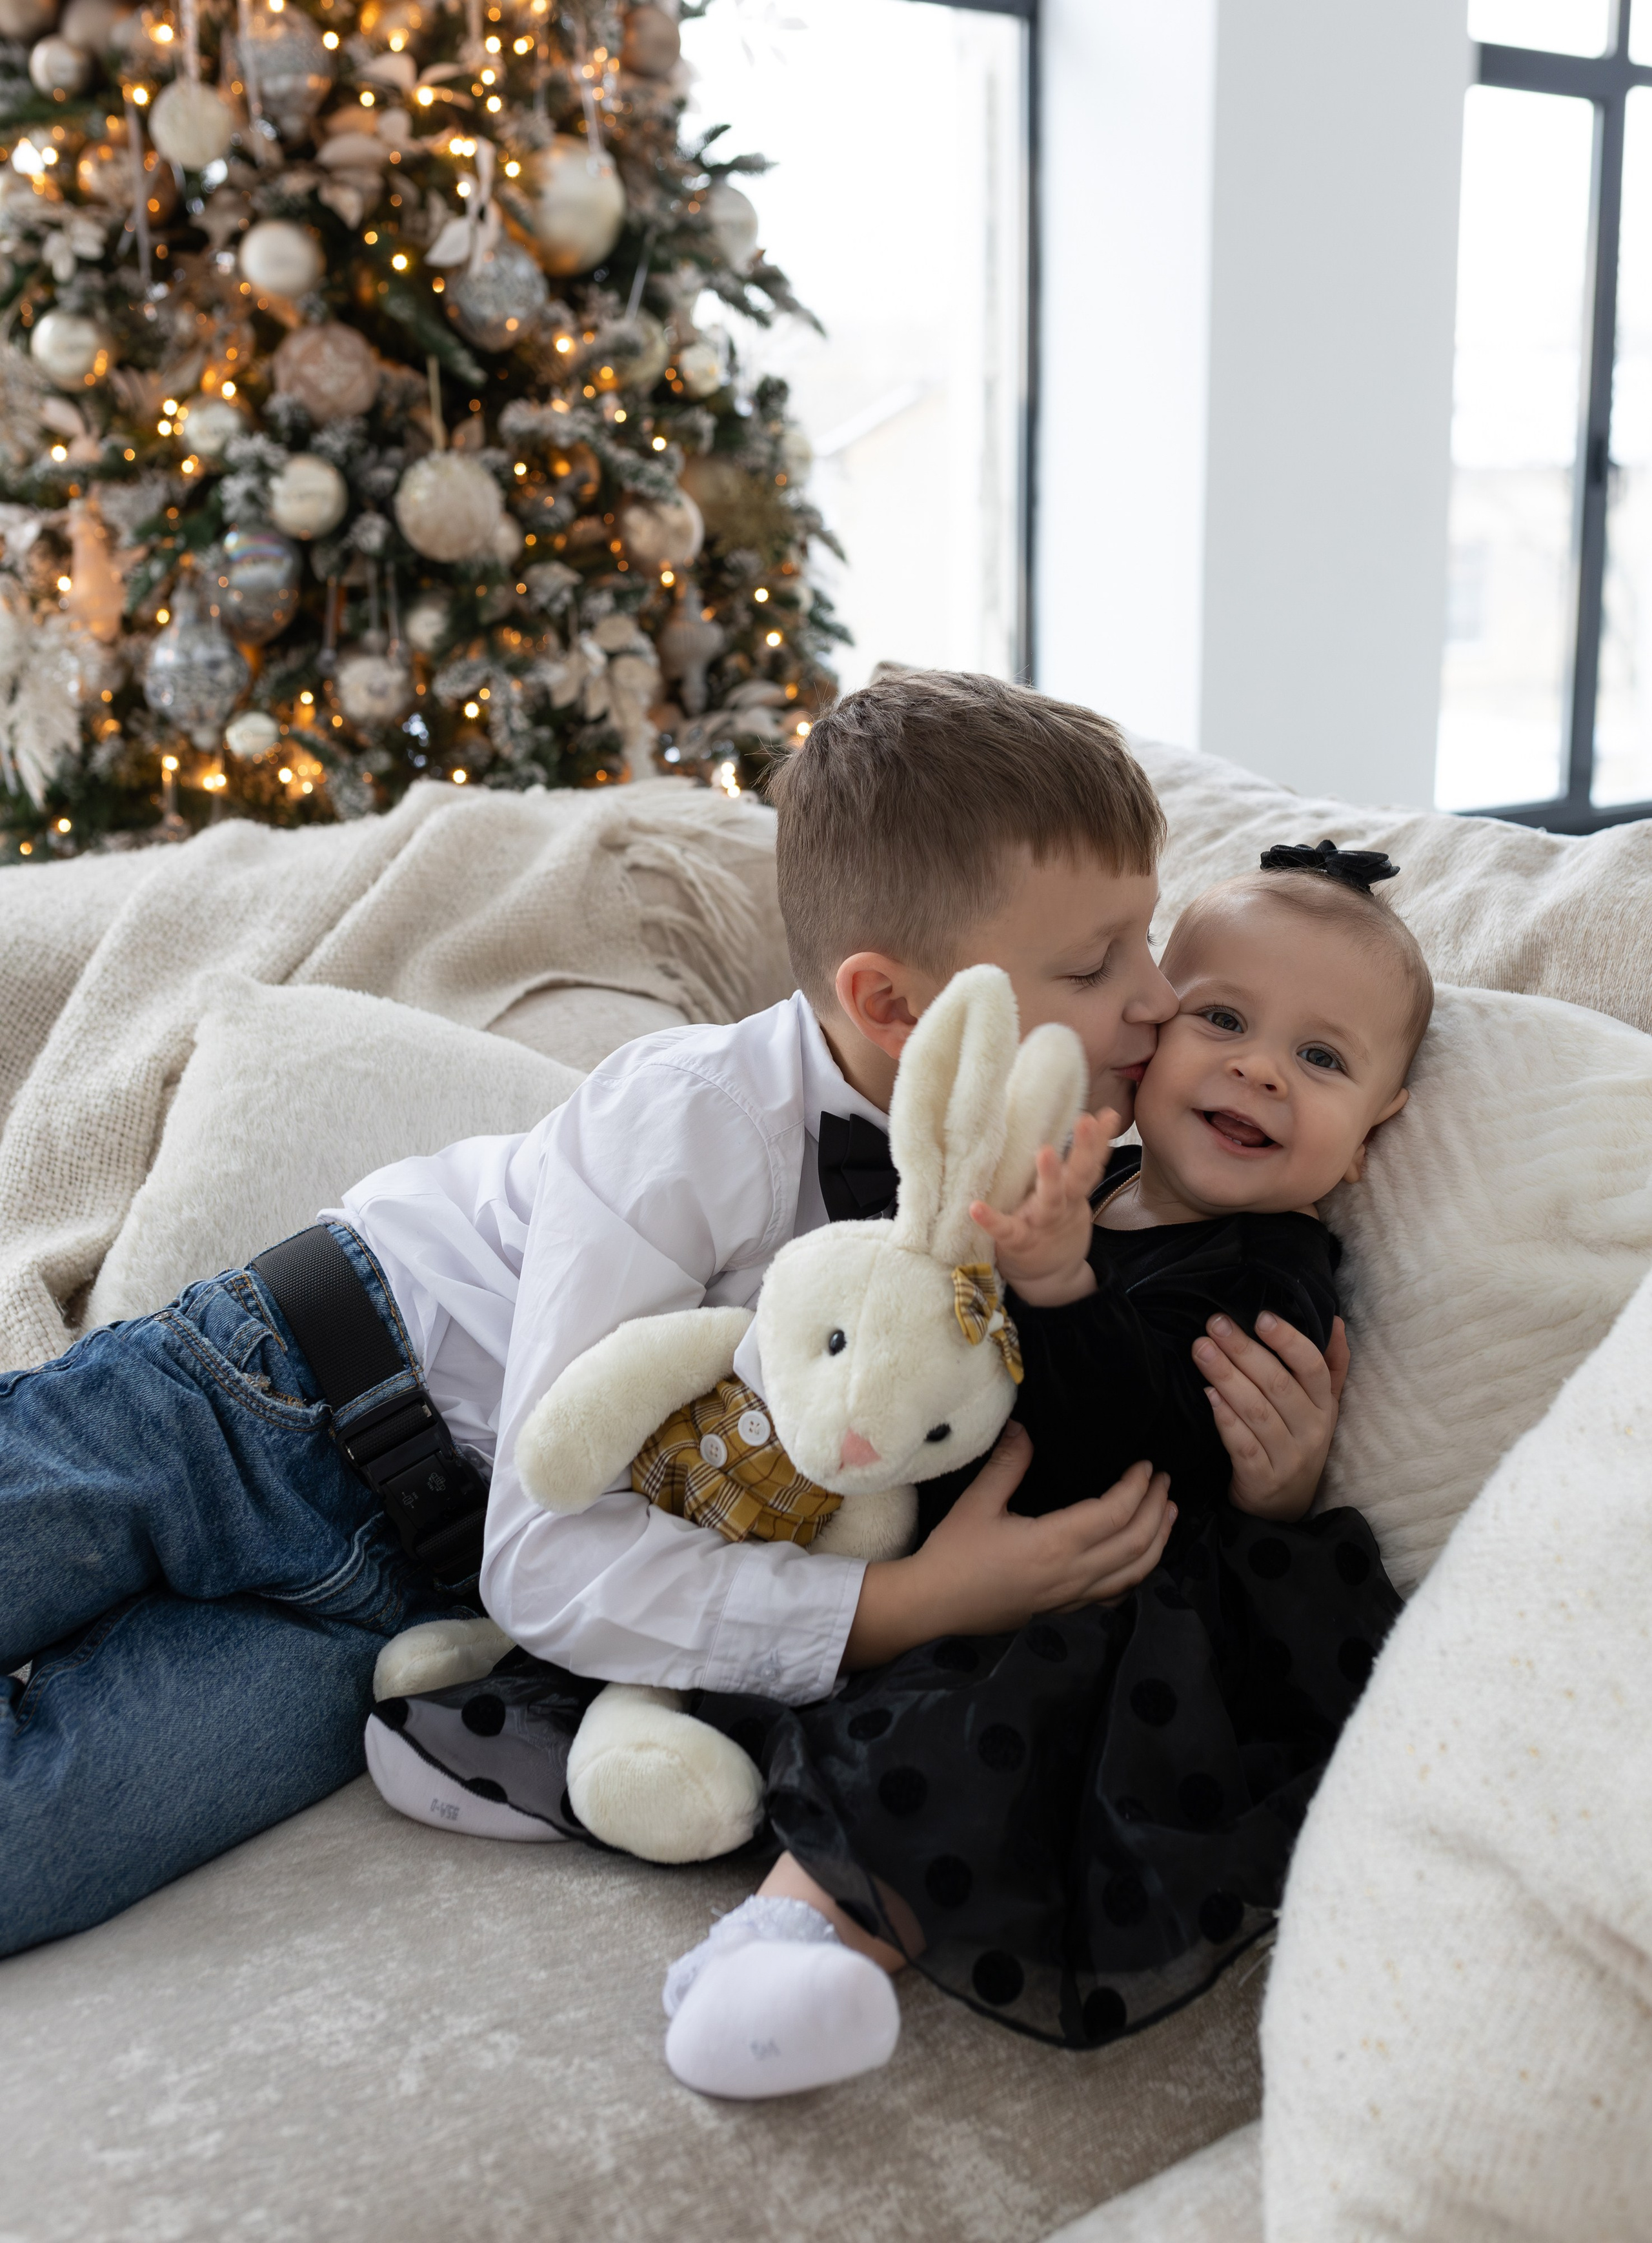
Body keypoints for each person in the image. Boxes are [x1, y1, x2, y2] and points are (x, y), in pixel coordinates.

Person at [0, 673, 1344, 1957]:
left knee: (37, 1845)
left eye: (1147, 940)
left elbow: (1098, 1422)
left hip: (404, 1596)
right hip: (268, 1397)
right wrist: (893, 1606)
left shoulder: (1064, 1184)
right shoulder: (693, 1118)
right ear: (890, 1003)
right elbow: (550, 1539)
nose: (1157, 999)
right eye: (1097, 964)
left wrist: (1267, 1488)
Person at [657, 841, 1429, 2098]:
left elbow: (1151, 1439)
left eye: (1321, 1058)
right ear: (1144, 1043)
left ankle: (785, 1943)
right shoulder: (1090, 1178)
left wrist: (1061, 1283)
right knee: (741, 1590)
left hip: (1098, 1591)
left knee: (965, 1733)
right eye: (1222, 1020)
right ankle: (569, 1742)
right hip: (939, 1540)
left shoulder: (1271, 1271)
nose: (1257, 1069)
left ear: (1367, 1138)